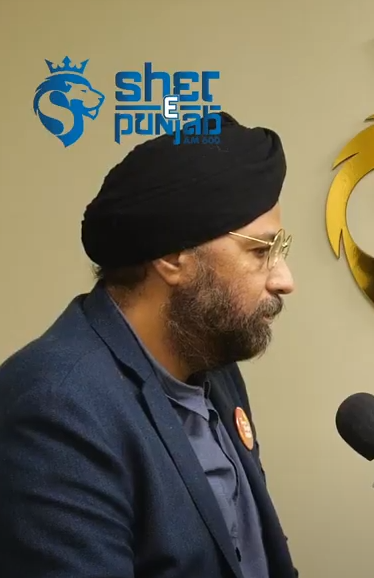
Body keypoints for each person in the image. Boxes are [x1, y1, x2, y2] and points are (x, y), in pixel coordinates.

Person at [0, 112, 298, 578]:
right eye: (260, 251)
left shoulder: (211, 362)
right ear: (172, 257)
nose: (284, 280)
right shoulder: (56, 409)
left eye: (280, 250)